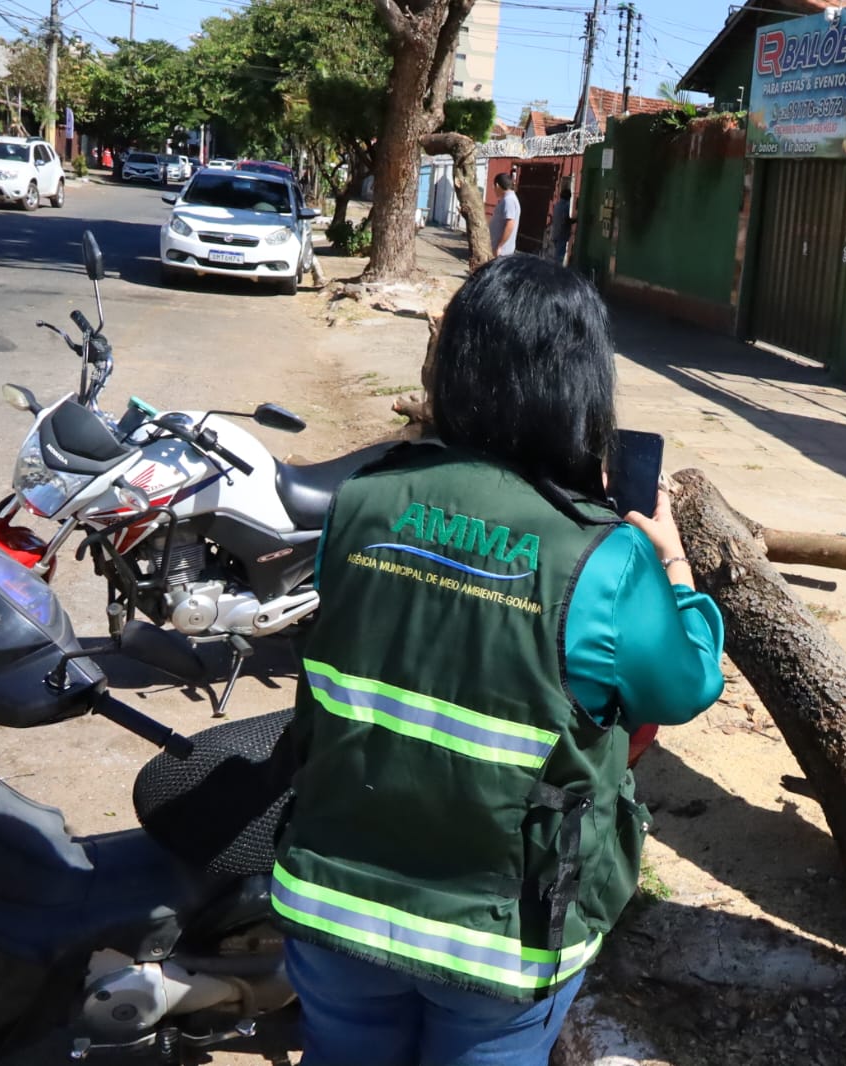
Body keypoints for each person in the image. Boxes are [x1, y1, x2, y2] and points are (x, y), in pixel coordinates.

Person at [271, 255, 726, 1066]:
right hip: (500, 942)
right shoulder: (602, 557)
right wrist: (675, 566)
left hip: (333, 899)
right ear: (580, 385)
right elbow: (687, 683)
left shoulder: (363, 499)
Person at [488, 170, 521, 257]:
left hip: (502, 251)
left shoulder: (509, 200)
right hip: (499, 250)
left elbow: (510, 224)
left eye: (494, 187)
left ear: (497, 185)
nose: (494, 190)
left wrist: (499, 246)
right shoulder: (507, 199)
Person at [550, 185, 573, 266]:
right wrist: (575, 220)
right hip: (561, 234)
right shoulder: (565, 206)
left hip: (555, 233)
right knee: (559, 257)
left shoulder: (557, 205)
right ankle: (557, 272)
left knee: (555, 254)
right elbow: (566, 220)